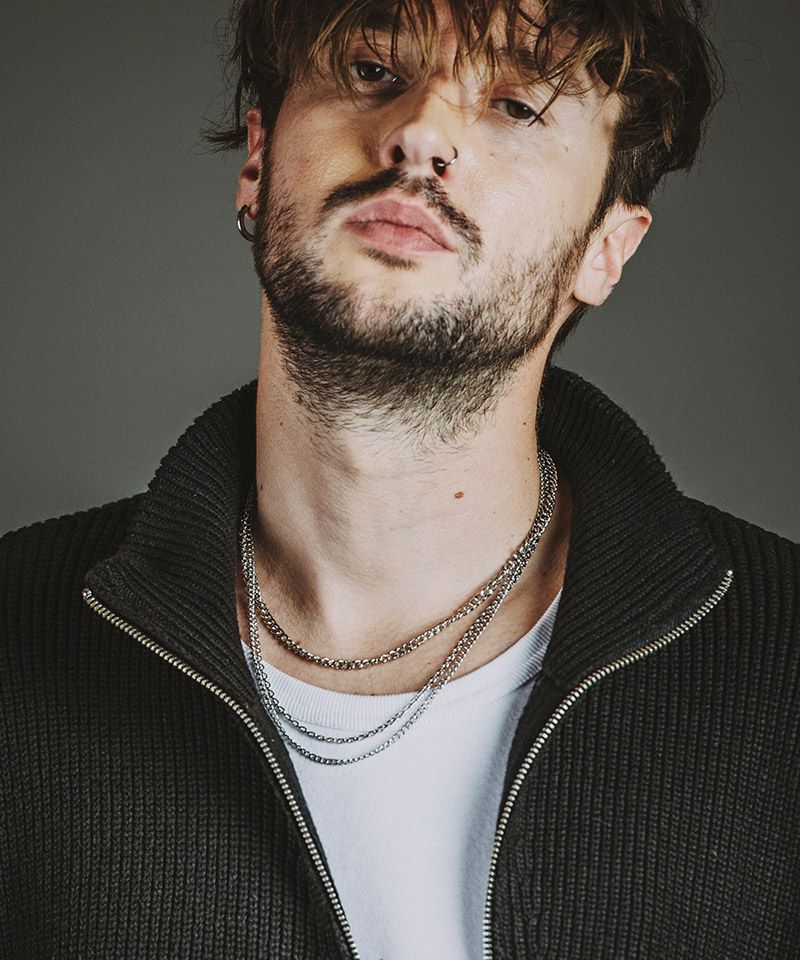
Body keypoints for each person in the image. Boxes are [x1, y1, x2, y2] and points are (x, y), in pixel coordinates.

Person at [1, 0, 797, 957]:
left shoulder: (781, 660)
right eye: (374, 71)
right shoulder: (16, 637)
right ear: (257, 161)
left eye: (516, 105)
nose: (421, 131)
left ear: (606, 248)